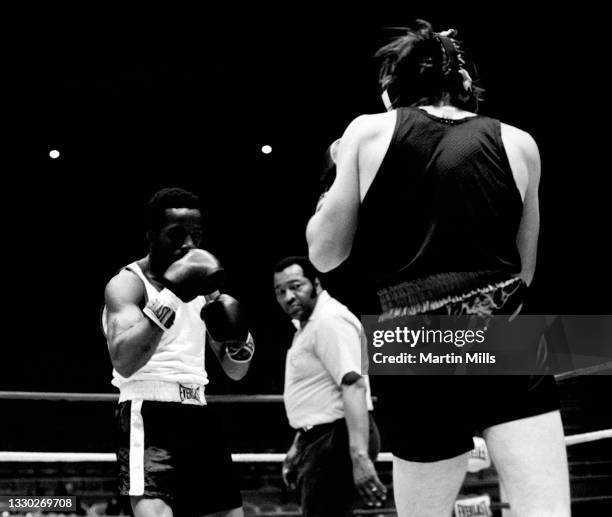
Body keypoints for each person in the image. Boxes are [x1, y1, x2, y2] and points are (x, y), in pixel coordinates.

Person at [306, 20, 570, 516]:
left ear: (392, 89)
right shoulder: (519, 142)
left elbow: (325, 254)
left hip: (412, 340)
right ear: (466, 85)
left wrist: (334, 181)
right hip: (503, 332)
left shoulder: (367, 131)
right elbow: (525, 268)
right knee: (546, 511)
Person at [103, 187, 254, 517]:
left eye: (195, 235)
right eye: (176, 234)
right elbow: (125, 360)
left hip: (198, 411)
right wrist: (172, 294)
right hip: (150, 413)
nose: (188, 245)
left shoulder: (205, 288)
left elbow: (235, 370)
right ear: (152, 236)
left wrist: (240, 339)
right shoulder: (128, 283)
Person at [273, 256, 387, 517]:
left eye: (295, 286)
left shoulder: (329, 320)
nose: (288, 297)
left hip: (338, 438)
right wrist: (299, 442)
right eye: (280, 291)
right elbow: (320, 391)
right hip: (323, 438)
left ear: (316, 283)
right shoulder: (310, 325)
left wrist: (359, 457)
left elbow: (354, 384)